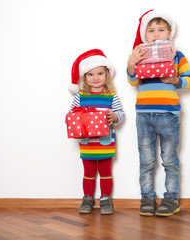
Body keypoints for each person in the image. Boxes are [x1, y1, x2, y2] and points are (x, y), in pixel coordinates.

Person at [127, 10, 190, 217]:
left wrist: (176, 81)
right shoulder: (140, 54)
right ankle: (147, 198)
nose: (156, 34)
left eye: (161, 30)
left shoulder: (177, 55)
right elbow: (133, 81)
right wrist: (131, 63)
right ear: (144, 35)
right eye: (151, 30)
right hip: (144, 115)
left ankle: (171, 198)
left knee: (169, 160)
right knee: (146, 161)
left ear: (169, 34)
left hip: (168, 115)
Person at [68, 49, 125, 215]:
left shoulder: (111, 96)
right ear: (84, 77)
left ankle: (106, 198)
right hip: (87, 143)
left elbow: (121, 115)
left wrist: (114, 116)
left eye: (100, 73)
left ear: (107, 75)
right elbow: (70, 116)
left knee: (106, 172)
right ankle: (87, 198)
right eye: (91, 74)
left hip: (106, 142)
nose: (96, 78)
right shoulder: (80, 96)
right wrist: (73, 118)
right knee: (89, 173)